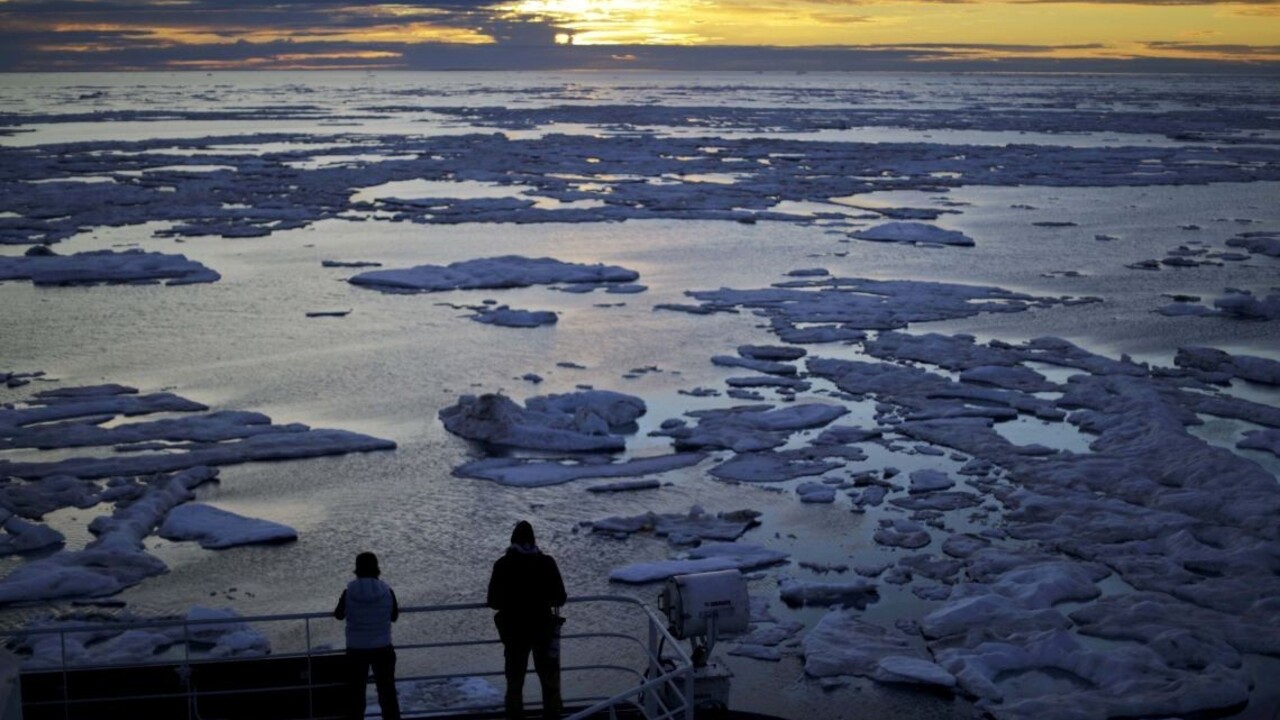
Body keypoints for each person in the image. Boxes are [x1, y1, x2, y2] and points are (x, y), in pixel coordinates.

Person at [487, 521, 567, 720]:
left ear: (512, 541)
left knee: (514, 684)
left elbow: (493, 601)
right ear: (533, 541)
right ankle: (553, 716)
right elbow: (560, 598)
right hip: (544, 631)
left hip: (514, 633)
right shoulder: (547, 563)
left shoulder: (502, 565)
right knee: (550, 683)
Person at [335, 551, 402, 720]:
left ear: (356, 569)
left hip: (356, 650)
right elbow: (394, 616)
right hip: (383, 648)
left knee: (355, 696)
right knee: (387, 694)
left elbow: (339, 614)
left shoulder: (348, 592)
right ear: (377, 568)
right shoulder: (387, 591)